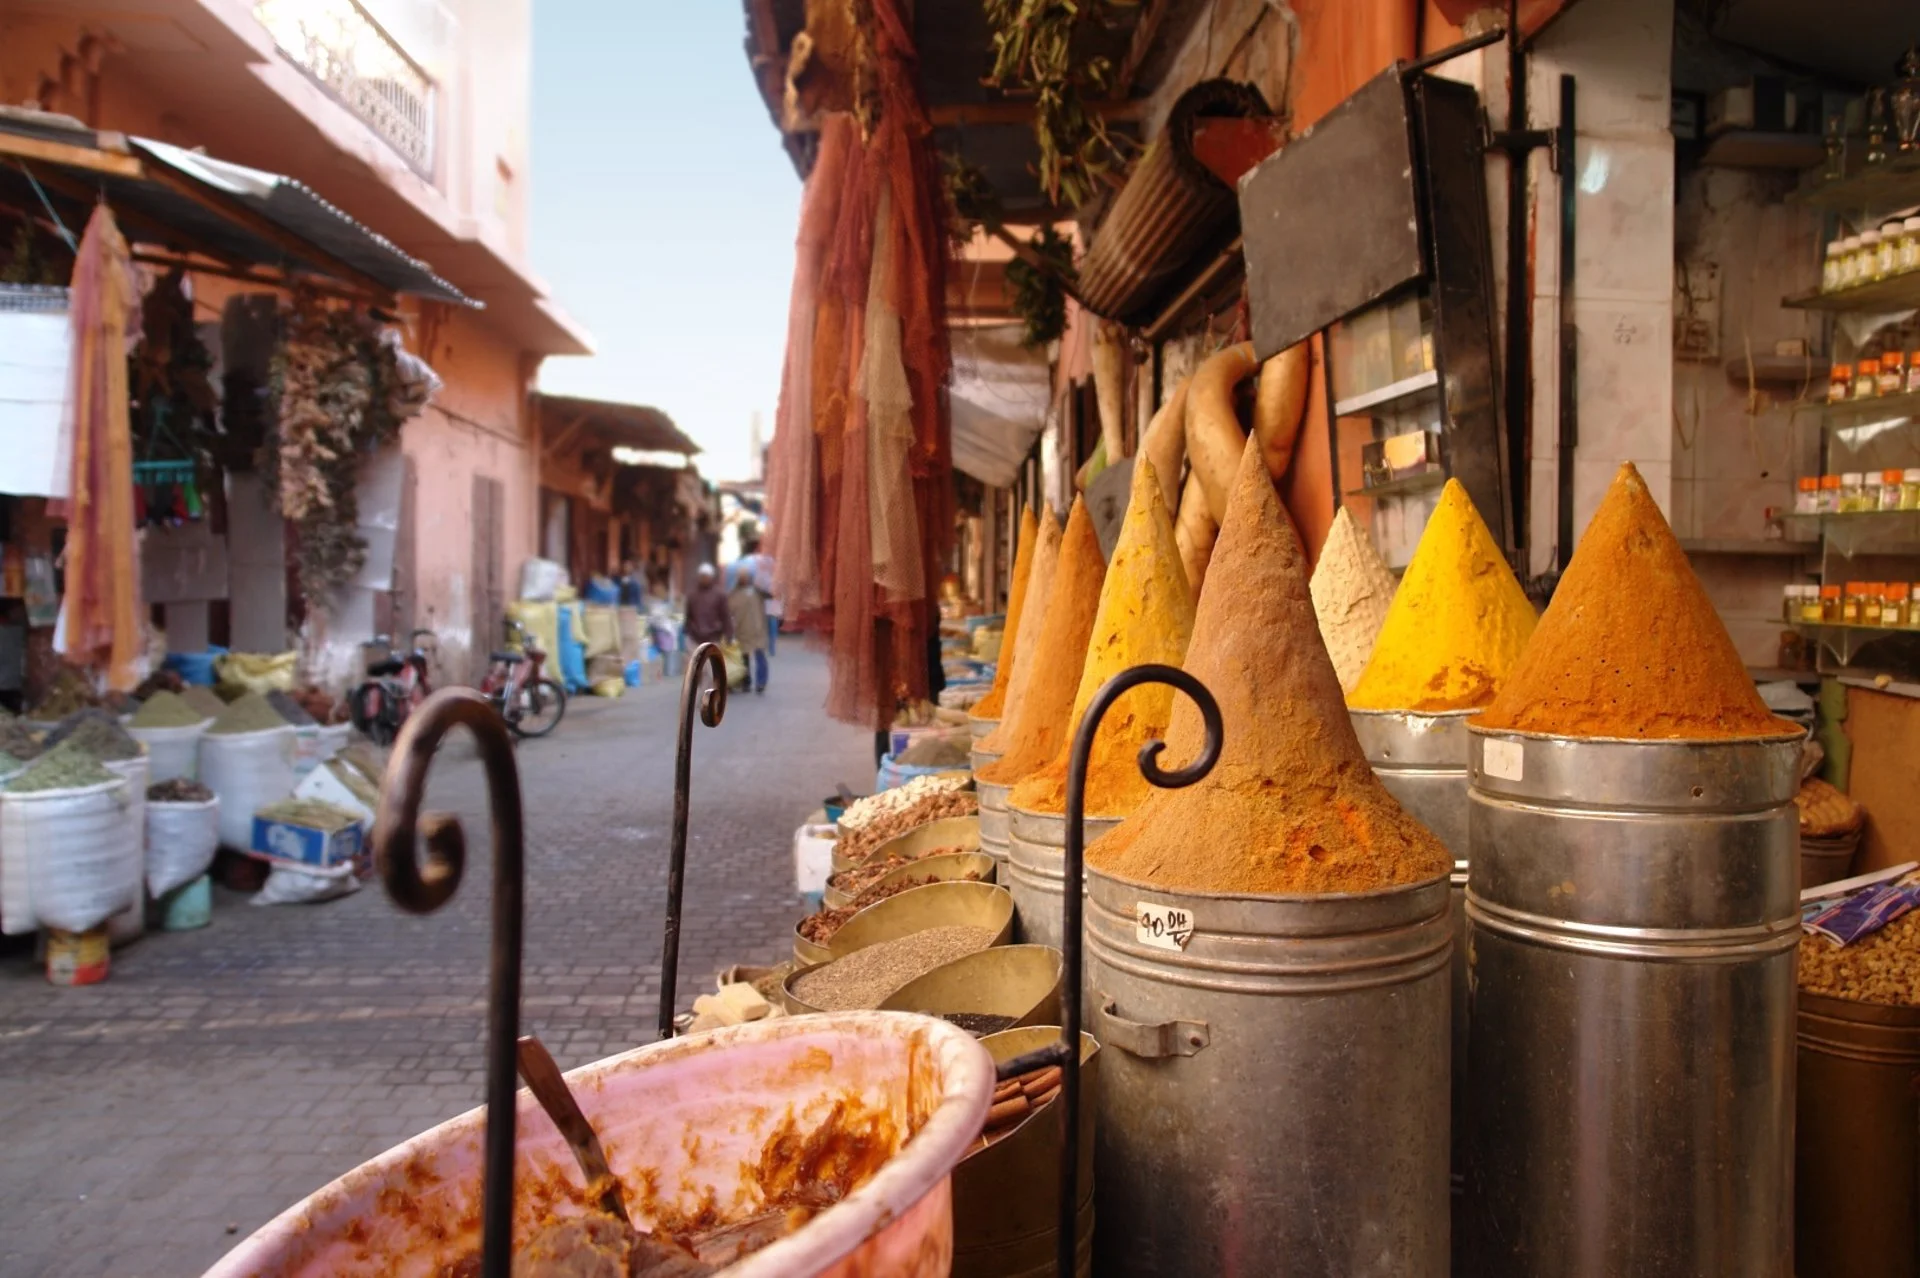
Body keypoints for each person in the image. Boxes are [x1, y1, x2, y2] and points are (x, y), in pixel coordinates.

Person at [728, 564, 770, 694]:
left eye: (745, 576)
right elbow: (728, 610)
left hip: (758, 630)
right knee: (744, 658)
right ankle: (746, 682)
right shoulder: (734, 594)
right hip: (742, 631)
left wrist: (760, 586)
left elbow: (771, 594)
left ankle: (761, 683)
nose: (743, 579)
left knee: (760, 657)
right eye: (741, 577)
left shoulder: (757, 592)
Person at [735, 539, 780, 657]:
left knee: (761, 621)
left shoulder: (754, 560)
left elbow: (751, 576)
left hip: (759, 593)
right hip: (771, 592)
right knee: (772, 619)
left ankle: (761, 644)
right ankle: (771, 646)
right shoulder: (773, 560)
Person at [683, 564, 733, 650]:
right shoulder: (692, 595)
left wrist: (729, 635)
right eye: (702, 576)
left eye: (706, 576)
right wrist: (687, 631)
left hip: (714, 638)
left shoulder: (719, 595)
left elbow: (725, 616)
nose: (704, 579)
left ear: (711, 577)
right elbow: (688, 615)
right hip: (695, 638)